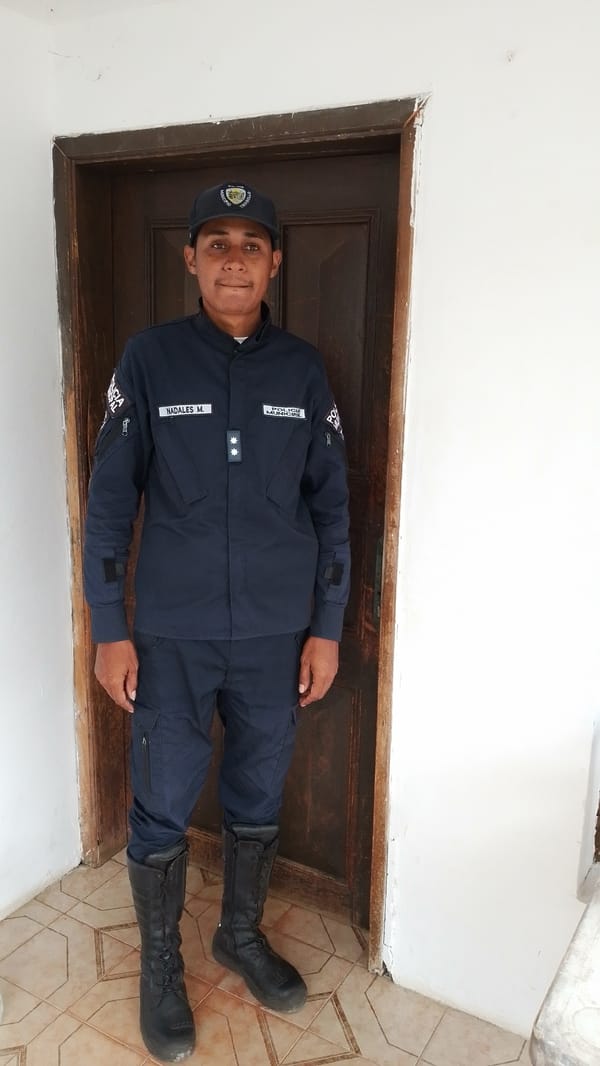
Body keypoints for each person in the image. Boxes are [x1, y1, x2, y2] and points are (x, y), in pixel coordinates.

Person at [83, 181, 350, 1063]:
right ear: (190, 258)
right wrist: (109, 627)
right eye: (217, 241)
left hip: (278, 633)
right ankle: (163, 965)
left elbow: (334, 508)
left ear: (275, 261)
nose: (234, 257)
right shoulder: (150, 361)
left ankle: (237, 934)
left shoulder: (303, 371)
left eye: (252, 242)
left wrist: (327, 626)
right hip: (170, 631)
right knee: (160, 801)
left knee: (259, 791)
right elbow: (109, 500)